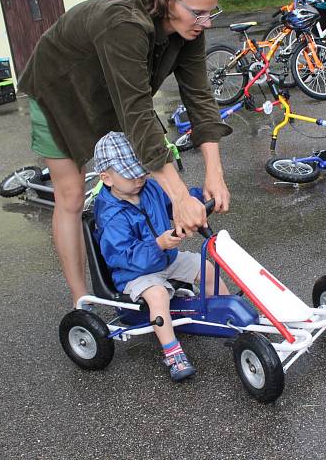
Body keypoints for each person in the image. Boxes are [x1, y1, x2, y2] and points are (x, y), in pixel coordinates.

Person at [18, 0, 232, 308]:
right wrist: (180, 198)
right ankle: (83, 301)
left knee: (141, 183)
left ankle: (148, 268)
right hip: (60, 92)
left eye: (212, 12)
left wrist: (215, 173)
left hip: (113, 95)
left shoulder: (188, 28)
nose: (206, 22)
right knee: (70, 196)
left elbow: (199, 97)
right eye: (198, 12)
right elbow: (137, 112)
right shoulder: (124, 25)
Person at [92, 132, 229, 381]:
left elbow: (173, 204)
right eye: (130, 173)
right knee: (157, 295)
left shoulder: (149, 187)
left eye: (140, 170)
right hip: (135, 273)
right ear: (107, 178)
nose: (139, 177)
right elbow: (122, 256)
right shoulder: (110, 216)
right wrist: (158, 244)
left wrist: (197, 200)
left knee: (206, 267)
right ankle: (172, 351)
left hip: (166, 258)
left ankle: (226, 312)